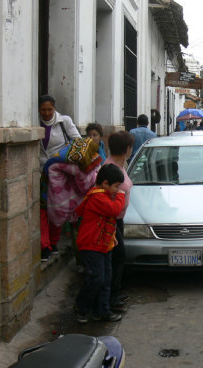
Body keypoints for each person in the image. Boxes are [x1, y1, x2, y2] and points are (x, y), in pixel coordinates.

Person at [74, 164, 126, 324]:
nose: (118, 190)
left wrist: (112, 237)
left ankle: (102, 311)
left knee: (105, 279)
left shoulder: (103, 195)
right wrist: (121, 196)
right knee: (95, 278)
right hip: (91, 245)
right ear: (105, 183)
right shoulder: (98, 197)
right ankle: (81, 308)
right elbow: (113, 211)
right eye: (116, 186)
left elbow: (105, 220)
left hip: (103, 244)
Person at [39, 95, 81, 261]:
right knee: (43, 209)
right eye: (43, 110)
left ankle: (54, 242)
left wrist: (61, 155)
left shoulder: (64, 121)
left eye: (50, 109)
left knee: (57, 208)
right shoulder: (35, 123)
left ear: (54, 108)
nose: (47, 113)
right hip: (41, 173)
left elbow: (77, 141)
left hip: (59, 174)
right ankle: (44, 245)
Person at [104, 131, 134, 313]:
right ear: (128, 149)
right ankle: (111, 296)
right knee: (117, 257)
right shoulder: (111, 169)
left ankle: (115, 292)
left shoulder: (119, 165)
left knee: (118, 257)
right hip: (110, 221)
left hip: (117, 219)